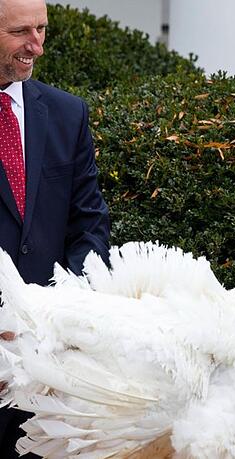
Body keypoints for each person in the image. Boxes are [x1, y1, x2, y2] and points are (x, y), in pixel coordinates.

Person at [0, 0, 111, 454]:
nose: (37, 46)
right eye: (21, 32)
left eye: (42, 29)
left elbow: (90, 222)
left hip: (47, 369)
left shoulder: (68, 114)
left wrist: (63, 311)